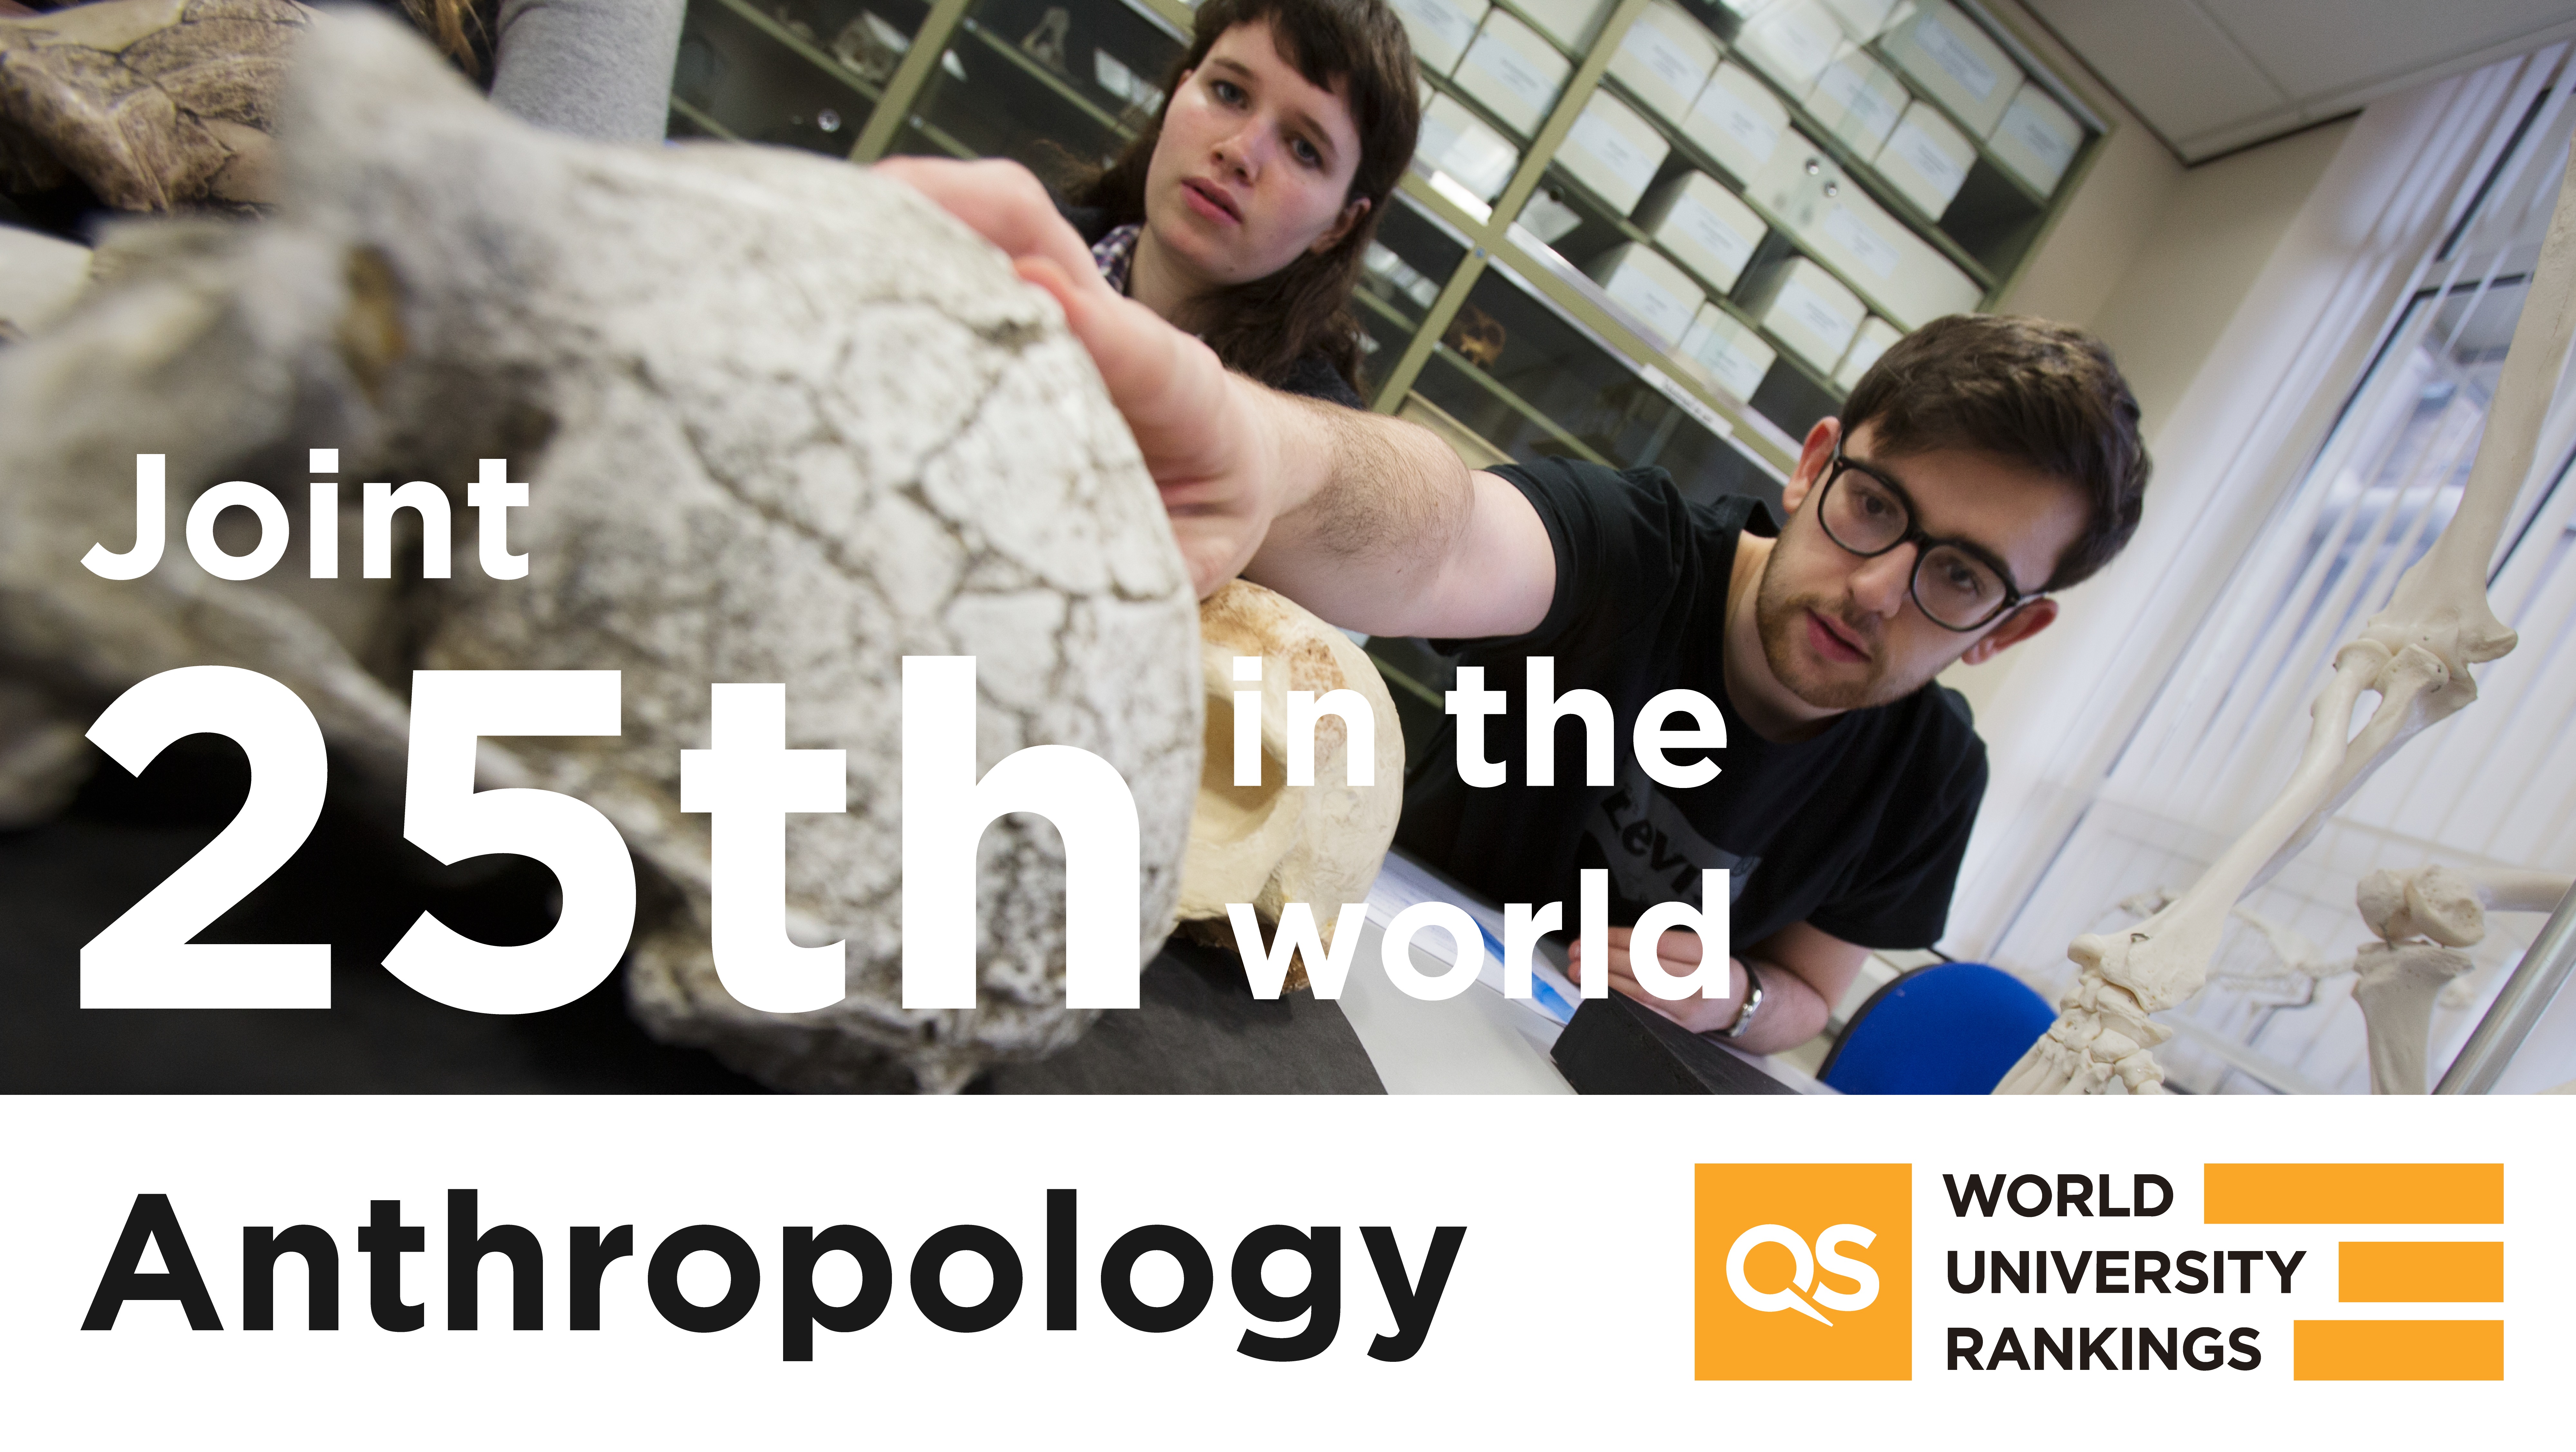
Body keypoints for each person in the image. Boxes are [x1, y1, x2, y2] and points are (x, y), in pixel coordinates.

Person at [886, 164, 2148, 1058]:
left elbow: (1809, 993)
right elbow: (1444, 534)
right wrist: (1269, 450)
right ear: (1811, 463)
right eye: (1872, 503)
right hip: (1339, 987)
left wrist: (1725, 997)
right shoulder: (1641, 552)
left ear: (2005, 629)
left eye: (1960, 577)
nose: (1877, 587)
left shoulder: (1929, 777)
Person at [1041, 0, 1420, 408]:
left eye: (1304, 149)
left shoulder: (1314, 435)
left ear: (1339, 225)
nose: (1240, 152)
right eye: (1229, 93)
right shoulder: (1007, 236)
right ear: (1177, 94)